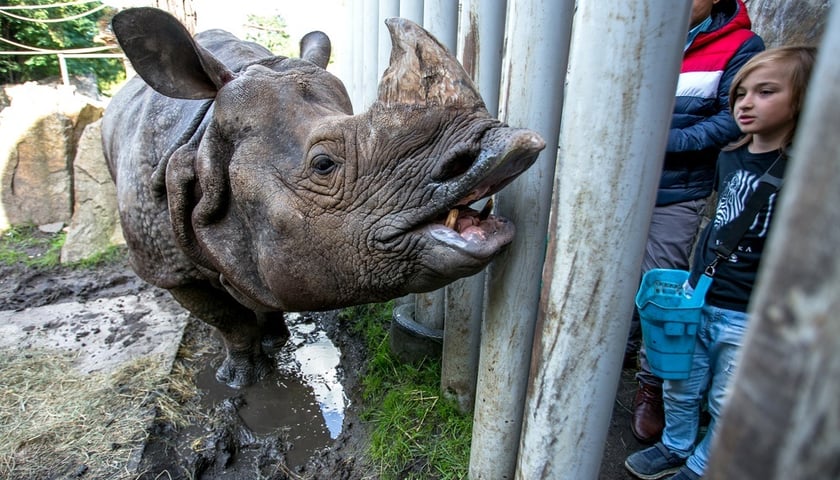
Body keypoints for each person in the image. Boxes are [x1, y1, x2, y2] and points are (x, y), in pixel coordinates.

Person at [625, 45, 818, 480]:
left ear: (805, 100)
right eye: (741, 93)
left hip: (752, 313)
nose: (746, 103)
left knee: (727, 401)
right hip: (700, 297)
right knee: (680, 383)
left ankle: (701, 465)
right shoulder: (729, 155)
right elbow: (717, 223)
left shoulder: (809, 170)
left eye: (765, 92)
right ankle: (675, 445)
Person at [627, 0, 764, 445]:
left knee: (661, 286)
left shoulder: (741, 45)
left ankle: (651, 385)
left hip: (676, 188)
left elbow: (732, 119)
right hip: (617, 181)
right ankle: (606, 355)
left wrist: (665, 141)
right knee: (601, 273)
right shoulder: (631, 34)